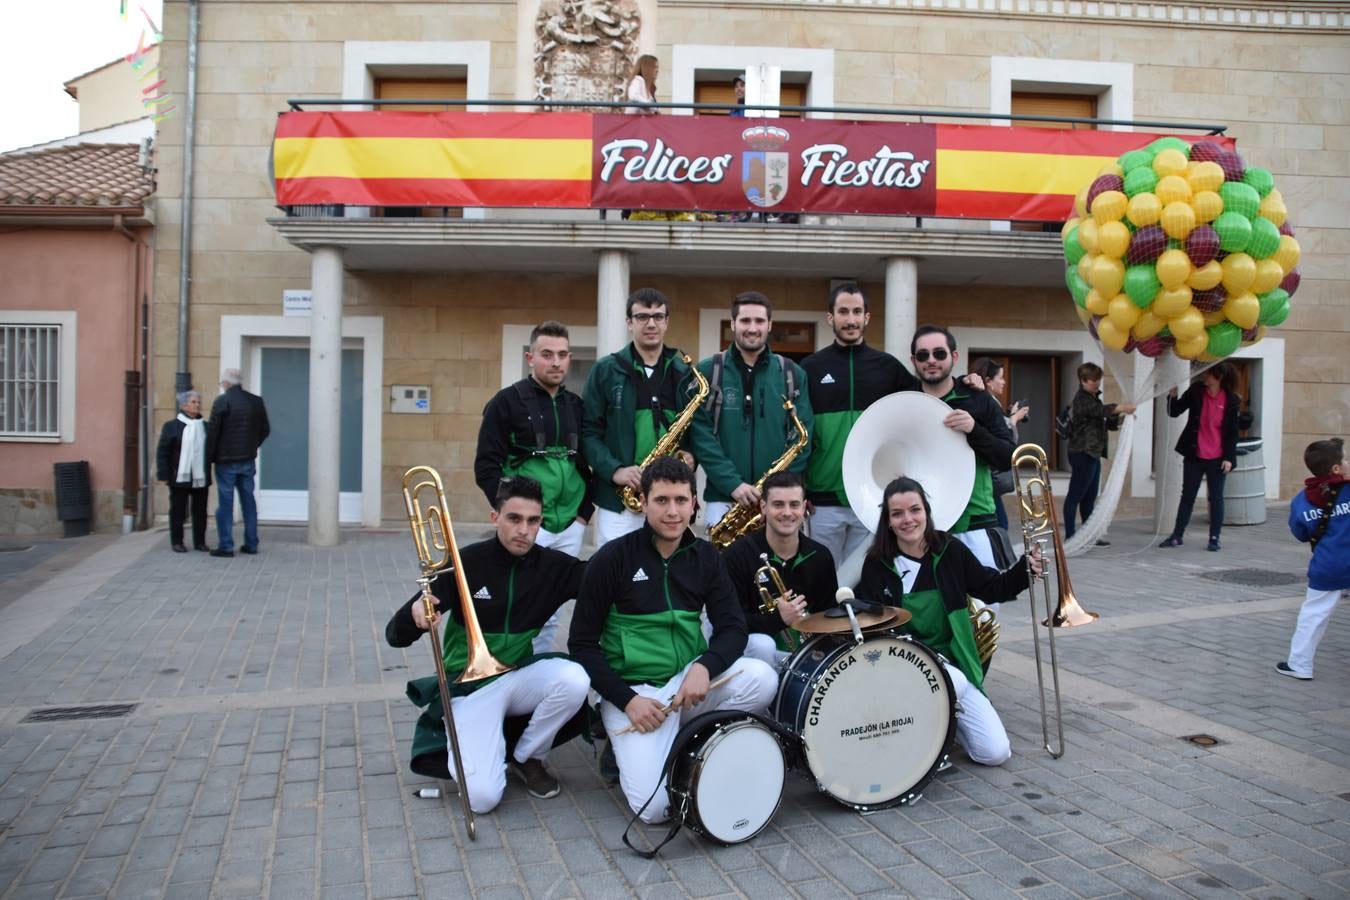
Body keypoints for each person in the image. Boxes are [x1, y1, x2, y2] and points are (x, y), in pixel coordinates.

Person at [567, 456, 778, 823]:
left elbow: (732, 629)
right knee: (654, 811)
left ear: (694, 504)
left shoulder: (706, 557)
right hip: (636, 694)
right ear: (643, 502)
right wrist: (627, 700)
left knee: (763, 678)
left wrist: (704, 666)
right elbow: (581, 644)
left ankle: (688, 742)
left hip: (686, 684)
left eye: (681, 500)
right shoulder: (611, 559)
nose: (672, 511)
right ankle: (626, 745)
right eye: (661, 500)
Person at [385, 477, 590, 809]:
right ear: (496, 518)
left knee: (574, 680)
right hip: (468, 688)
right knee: (482, 799)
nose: (524, 529)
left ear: (541, 523)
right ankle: (482, 749)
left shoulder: (553, 567)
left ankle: (527, 756)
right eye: (514, 518)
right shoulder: (463, 562)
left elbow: (606, 577)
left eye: (533, 521)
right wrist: (414, 617)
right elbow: (395, 635)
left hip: (515, 678)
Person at [855, 476, 1042, 766]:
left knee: (994, 753)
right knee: (950, 681)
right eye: (897, 513)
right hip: (905, 667)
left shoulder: (950, 550)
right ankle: (926, 738)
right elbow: (871, 625)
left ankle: (947, 726)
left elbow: (993, 588)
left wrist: (1025, 569)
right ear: (888, 521)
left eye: (915, 510)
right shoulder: (877, 564)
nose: (908, 519)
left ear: (926, 512)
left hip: (956, 665)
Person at [474, 321, 593, 651]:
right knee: (519, 597)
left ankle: (536, 669)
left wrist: (584, 514)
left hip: (570, 524)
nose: (556, 362)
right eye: (547, 354)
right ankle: (504, 667)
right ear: (530, 358)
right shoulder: (505, 402)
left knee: (550, 605)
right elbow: (485, 466)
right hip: (529, 523)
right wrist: (512, 514)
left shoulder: (576, 405)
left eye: (563, 355)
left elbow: (586, 461)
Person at [801, 282, 919, 564]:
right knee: (824, 580)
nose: (851, 319)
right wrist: (798, 486)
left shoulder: (888, 367)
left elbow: (926, 405)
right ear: (831, 317)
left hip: (872, 496)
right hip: (823, 500)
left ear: (867, 317)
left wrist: (967, 384)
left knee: (865, 582)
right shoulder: (810, 368)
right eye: (843, 312)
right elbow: (797, 434)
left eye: (857, 312)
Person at [688, 291, 813, 536]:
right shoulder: (708, 371)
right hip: (724, 499)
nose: (752, 328)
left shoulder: (792, 374)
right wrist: (732, 483)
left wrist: (775, 490)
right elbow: (700, 435)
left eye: (759, 321)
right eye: (745, 321)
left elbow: (803, 437)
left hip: (778, 502)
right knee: (723, 573)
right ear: (733, 324)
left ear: (770, 324)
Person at [581, 288, 697, 548]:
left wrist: (692, 455)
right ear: (629, 322)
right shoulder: (605, 370)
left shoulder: (684, 373)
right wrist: (615, 470)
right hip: (620, 500)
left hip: (671, 499)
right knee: (615, 577)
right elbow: (588, 432)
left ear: (667, 321)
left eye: (658, 316)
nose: (651, 323)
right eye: (642, 316)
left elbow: (696, 433)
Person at [911, 326, 1014, 570]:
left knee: (984, 605)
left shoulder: (979, 398)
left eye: (939, 353)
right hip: (920, 527)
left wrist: (974, 429)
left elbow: (1008, 457)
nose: (931, 361)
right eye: (923, 355)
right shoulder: (906, 400)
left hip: (975, 522)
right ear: (913, 361)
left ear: (954, 357)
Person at [722, 471, 837, 667]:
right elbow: (729, 621)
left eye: (794, 505)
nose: (787, 513)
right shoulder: (737, 555)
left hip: (804, 653)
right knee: (763, 646)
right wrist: (779, 618)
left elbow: (829, 615)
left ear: (804, 507)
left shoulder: (820, 555)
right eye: (778, 505)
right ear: (763, 507)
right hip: (750, 654)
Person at [1277, 438, 1348, 680]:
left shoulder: (1301, 500)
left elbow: (1300, 533)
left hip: (1327, 566)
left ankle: (1300, 664)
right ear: (1336, 469)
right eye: (1345, 459)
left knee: (1314, 615)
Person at [1158, 363, 1241, 551]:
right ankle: (1177, 536)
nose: (1205, 377)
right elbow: (1174, 411)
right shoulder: (1196, 391)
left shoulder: (1231, 399)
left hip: (1218, 458)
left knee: (1216, 498)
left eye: (1209, 374)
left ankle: (1214, 538)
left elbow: (1232, 433)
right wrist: (1171, 395)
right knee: (1187, 496)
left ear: (1218, 377)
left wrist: (1228, 457)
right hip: (1195, 453)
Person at [1063, 362, 1136, 545]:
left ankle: (1089, 535)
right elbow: (1098, 412)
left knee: (1089, 498)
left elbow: (1105, 421)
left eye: (1098, 380)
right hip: (1082, 452)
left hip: (1093, 453)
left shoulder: (1094, 397)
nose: (1097, 383)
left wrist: (1122, 419)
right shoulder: (1081, 399)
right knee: (1075, 496)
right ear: (1083, 381)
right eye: (1093, 380)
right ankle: (1070, 536)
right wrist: (1119, 408)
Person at [206, 368, 270, 558]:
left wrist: (208, 459)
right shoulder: (255, 402)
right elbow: (265, 429)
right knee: (248, 502)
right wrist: (252, 446)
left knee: (226, 504)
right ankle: (251, 543)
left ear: (226, 383)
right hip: (247, 460)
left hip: (225, 462)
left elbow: (212, 434)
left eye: (222, 383)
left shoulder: (222, 402)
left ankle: (226, 546)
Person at [970, 357, 1029, 532]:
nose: (1004, 382)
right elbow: (1003, 442)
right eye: (1000, 377)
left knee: (998, 522)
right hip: (987, 473)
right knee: (999, 525)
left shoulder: (985, 400)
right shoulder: (985, 402)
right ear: (988, 381)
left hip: (988, 473)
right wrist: (1014, 419)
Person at [156, 389, 211, 553]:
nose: (198, 405)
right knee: (178, 511)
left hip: (200, 476)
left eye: (199, 402)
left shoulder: (206, 427)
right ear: (184, 405)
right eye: (194, 402)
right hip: (179, 476)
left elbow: (211, 451)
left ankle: (200, 542)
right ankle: (177, 542)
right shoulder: (172, 426)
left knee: (200, 512)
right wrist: (164, 474)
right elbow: (163, 452)